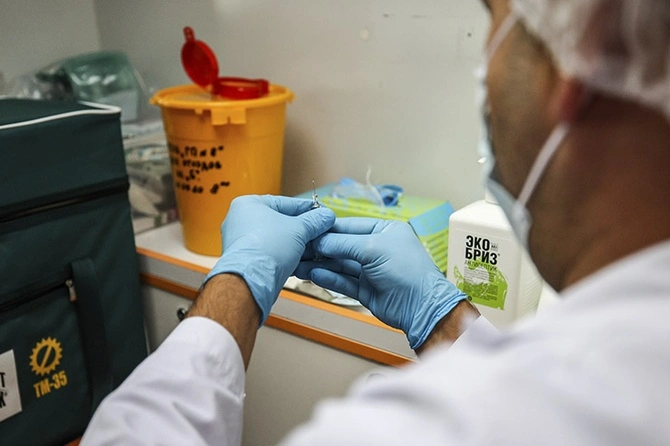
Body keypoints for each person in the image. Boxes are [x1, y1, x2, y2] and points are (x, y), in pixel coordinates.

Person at [82, 0, 670, 444]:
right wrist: (445, 319)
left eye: (492, 20)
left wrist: (237, 281)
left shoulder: (408, 429)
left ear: (580, 53)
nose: (484, 64)